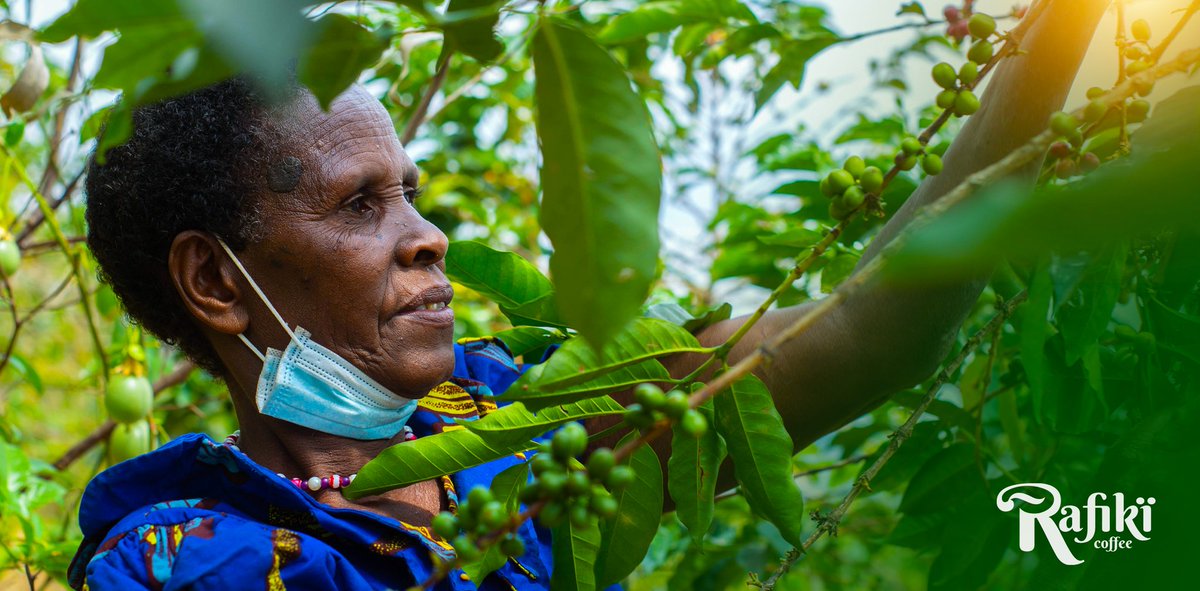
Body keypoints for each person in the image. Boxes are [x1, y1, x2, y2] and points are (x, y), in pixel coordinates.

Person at [69, 1, 1109, 589]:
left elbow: (866, 335)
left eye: (413, 196)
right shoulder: (173, 562)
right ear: (216, 283)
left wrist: (1052, 47)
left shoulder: (521, 415)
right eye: (358, 205)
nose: (427, 237)